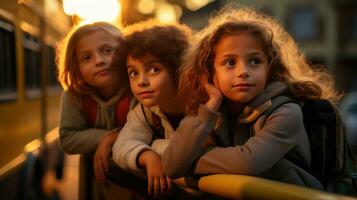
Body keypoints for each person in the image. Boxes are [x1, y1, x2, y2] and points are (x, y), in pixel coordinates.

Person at [161, 7, 341, 190]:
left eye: (255, 61)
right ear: (210, 71)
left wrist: (191, 159)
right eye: (230, 63)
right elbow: (171, 165)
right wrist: (207, 112)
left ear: (269, 67)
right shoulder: (210, 112)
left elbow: (247, 163)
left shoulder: (286, 112)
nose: (243, 72)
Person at [111, 21, 192, 198]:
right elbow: (120, 147)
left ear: (180, 68)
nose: (141, 81)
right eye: (133, 73)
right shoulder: (145, 111)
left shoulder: (201, 107)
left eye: (154, 69)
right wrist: (147, 156)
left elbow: (191, 151)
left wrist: (154, 146)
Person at [56, 22, 136, 200]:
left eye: (108, 50)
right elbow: (68, 138)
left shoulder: (137, 89)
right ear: (76, 68)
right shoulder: (74, 96)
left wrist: (111, 139)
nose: (99, 61)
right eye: (86, 58)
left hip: (135, 180)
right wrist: (110, 136)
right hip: (95, 180)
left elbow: (148, 130)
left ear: (125, 52)